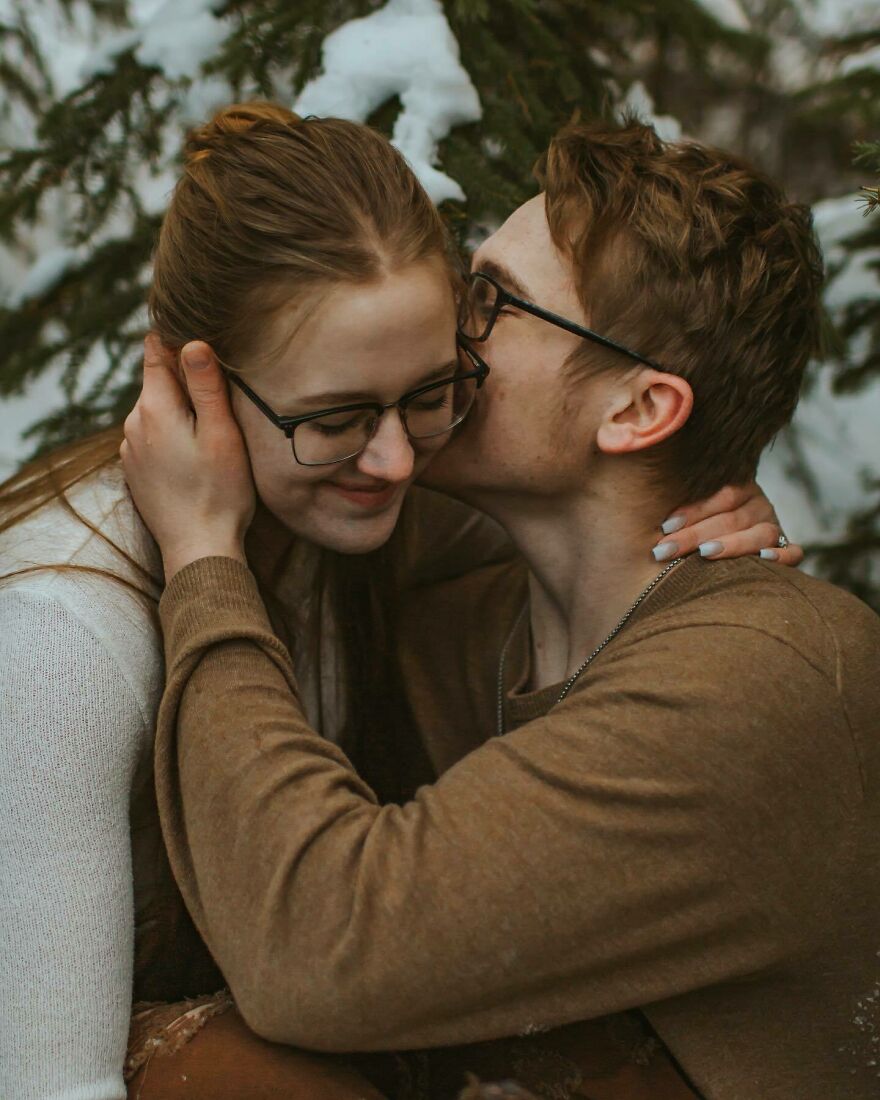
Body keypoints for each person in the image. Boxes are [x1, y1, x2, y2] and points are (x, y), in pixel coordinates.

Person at [0, 105, 785, 1100]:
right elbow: (45, 1082)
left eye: (429, 391)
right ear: (188, 378)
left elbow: (591, 531)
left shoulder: (365, 509)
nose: (397, 458)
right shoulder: (60, 638)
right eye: (333, 417)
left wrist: (702, 501)